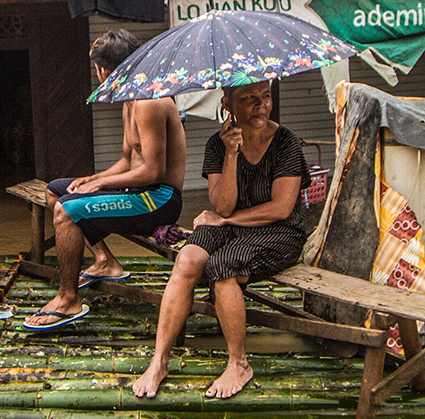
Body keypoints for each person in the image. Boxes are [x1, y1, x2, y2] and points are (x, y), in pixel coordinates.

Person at [132, 80, 309, 400]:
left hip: (279, 230)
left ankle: (239, 364)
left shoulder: (287, 143)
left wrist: (226, 220)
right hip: (233, 222)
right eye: (249, 99)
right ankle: (159, 360)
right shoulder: (217, 144)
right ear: (227, 103)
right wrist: (231, 154)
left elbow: (282, 208)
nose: (261, 105)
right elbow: (223, 205)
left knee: (222, 266)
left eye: (265, 97)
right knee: (188, 258)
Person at [23, 30, 186, 332]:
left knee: (67, 210)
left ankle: (68, 298)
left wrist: (100, 186)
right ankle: (104, 260)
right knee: (56, 191)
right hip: (138, 192)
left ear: (105, 70)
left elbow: (153, 171)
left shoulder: (149, 100)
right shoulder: (130, 99)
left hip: (159, 200)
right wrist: (94, 178)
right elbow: (128, 160)